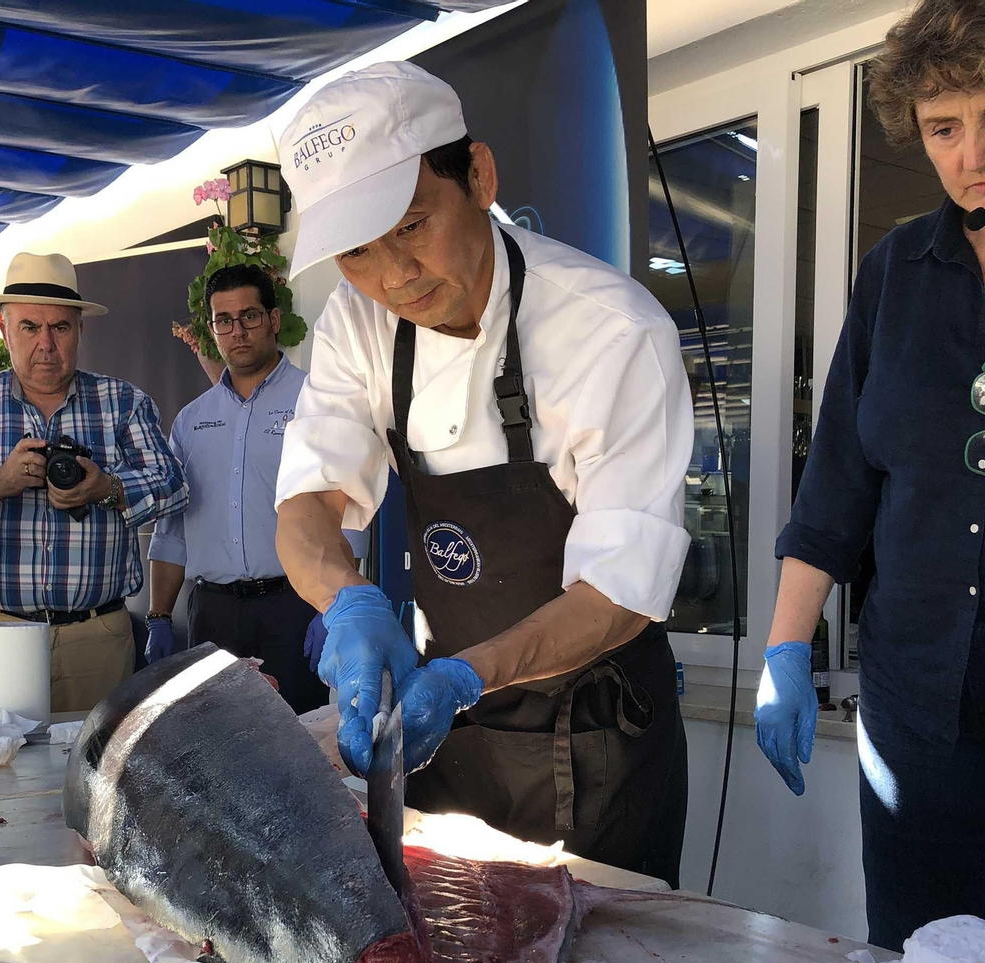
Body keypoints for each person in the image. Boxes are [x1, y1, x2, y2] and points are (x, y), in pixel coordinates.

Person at [273, 63, 693, 886]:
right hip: (451, 732)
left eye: (412, 225)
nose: (393, 275)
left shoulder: (609, 333)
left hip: (596, 729)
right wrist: (348, 601)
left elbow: (616, 594)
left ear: (480, 176)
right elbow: (308, 505)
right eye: (356, 252)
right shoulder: (357, 324)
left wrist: (466, 675)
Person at [755, 0, 985, 959]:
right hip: (917, 690)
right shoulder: (897, 268)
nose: (972, 157)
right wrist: (785, 650)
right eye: (942, 128)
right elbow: (838, 481)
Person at [0, 252, 187, 713]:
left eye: (60, 327)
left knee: (92, 773)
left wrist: (107, 489)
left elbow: (174, 486)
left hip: (96, 634)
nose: (46, 343)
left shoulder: (122, 402)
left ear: (80, 331)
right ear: (5, 331)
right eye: (29, 327)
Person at [145, 264, 368, 712]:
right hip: (213, 613)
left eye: (249, 316)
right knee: (219, 746)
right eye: (223, 320)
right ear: (212, 329)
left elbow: (348, 521)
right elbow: (171, 530)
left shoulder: (315, 401)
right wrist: (160, 617)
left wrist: (334, 606)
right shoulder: (190, 421)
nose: (238, 332)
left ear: (273, 319)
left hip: (296, 609)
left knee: (301, 743)